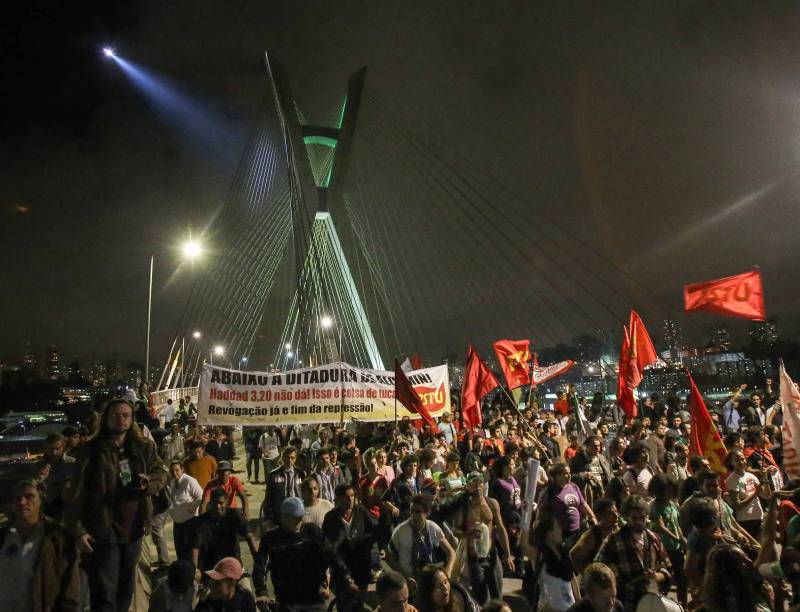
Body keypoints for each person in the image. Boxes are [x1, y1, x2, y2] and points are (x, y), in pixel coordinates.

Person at [66, 397, 167, 612]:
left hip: (134, 529)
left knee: (126, 589)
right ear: (106, 419)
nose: (120, 419)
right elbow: (75, 494)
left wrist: (147, 482)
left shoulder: (142, 447)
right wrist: (79, 530)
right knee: (104, 593)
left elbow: (161, 473)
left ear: (132, 419)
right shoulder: (92, 451)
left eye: (125, 415)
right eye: (115, 415)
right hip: (103, 530)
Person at [0, 479, 80, 612]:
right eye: (17, 498)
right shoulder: (4, 536)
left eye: (29, 496)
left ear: (41, 500)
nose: (22, 502)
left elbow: (70, 591)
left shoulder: (57, 539)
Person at [253, 497, 333, 612]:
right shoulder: (271, 539)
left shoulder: (312, 532)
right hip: (286, 601)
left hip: (313, 599)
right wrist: (262, 592)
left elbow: (330, 556)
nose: (300, 521)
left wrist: (333, 581)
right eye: (297, 518)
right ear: (284, 517)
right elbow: (260, 567)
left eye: (302, 517)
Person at [596, 495, 671, 610]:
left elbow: (667, 569)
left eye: (642, 517)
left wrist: (656, 576)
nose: (639, 522)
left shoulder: (654, 538)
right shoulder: (614, 540)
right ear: (626, 517)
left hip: (651, 603)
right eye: (634, 518)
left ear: (647, 516)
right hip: (625, 603)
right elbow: (598, 570)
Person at [453, 473, 513, 604]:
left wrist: (508, 555)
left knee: (498, 596)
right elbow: (455, 530)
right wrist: (467, 535)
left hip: (491, 554)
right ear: (468, 486)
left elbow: (501, 528)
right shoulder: (465, 507)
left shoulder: (492, 503)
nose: (478, 486)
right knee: (481, 599)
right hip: (474, 558)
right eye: (474, 483)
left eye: (480, 482)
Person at [322, 483, 381, 612]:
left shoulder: (361, 512)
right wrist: (347, 578)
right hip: (342, 569)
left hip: (361, 568)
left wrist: (375, 560)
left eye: (352, 496)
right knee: (345, 606)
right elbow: (332, 551)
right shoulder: (331, 518)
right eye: (346, 497)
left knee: (359, 605)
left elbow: (373, 535)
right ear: (337, 499)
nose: (350, 500)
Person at [388, 494, 456, 587]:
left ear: (427, 513)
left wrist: (448, 571)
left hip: (430, 579)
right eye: (411, 511)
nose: (413, 516)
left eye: (418, 512)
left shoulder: (432, 527)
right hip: (409, 582)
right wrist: (404, 577)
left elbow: (451, 552)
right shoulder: (400, 531)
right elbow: (390, 557)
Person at [190, 487, 258, 572]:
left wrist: (258, 561)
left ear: (226, 502)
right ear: (210, 504)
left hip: (233, 565)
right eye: (214, 503)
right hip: (211, 568)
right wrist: (194, 571)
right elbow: (195, 547)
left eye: (220, 503)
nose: (218, 506)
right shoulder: (202, 521)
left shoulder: (235, 516)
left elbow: (249, 536)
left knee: (245, 585)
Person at [647, 473, 687, 607]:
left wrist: (682, 539)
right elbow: (661, 527)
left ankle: (683, 606)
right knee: (665, 580)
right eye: (666, 489)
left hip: (677, 548)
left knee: (682, 579)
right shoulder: (655, 506)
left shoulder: (673, 504)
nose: (669, 492)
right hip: (663, 549)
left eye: (671, 489)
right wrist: (677, 538)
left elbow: (676, 524)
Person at [701, 543, 772, 612]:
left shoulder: (755, 589)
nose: (750, 561)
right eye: (743, 561)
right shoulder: (731, 604)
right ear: (731, 572)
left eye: (747, 557)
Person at [538, 464, 597, 546]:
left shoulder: (573, 486)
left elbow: (582, 503)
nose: (569, 475)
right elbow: (540, 512)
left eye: (569, 473)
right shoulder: (550, 491)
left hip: (576, 530)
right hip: (561, 534)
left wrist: (592, 517)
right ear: (557, 476)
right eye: (566, 473)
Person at [30, 432, 76, 520]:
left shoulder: (73, 463)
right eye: (51, 449)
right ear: (45, 448)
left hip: (67, 508)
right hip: (45, 508)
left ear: (63, 447)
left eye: (57, 448)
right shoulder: (37, 467)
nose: (54, 452)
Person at [569, 497, 620, 575]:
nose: (616, 515)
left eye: (616, 511)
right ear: (600, 516)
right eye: (610, 513)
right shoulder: (593, 535)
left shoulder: (618, 531)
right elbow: (573, 555)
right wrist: (587, 576)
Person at [166, 459, 204, 561]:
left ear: (182, 469)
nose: (174, 473)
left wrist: (191, 507)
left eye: (177, 470)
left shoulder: (190, 481)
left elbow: (201, 497)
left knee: (189, 550)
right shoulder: (172, 482)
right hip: (178, 523)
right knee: (180, 550)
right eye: (172, 471)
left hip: (190, 521)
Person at [725, 448, 766, 539]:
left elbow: (766, 495)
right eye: (737, 460)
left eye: (742, 459)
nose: (741, 462)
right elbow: (737, 505)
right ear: (731, 463)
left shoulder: (751, 476)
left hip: (759, 517)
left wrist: (764, 478)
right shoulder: (732, 480)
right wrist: (755, 494)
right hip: (746, 521)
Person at [264, 446, 306, 524]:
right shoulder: (273, 475)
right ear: (283, 458)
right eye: (287, 458)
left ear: (295, 459)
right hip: (280, 511)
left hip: (297, 510)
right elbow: (268, 496)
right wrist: (267, 515)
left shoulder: (301, 474)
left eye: (292, 458)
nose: (289, 460)